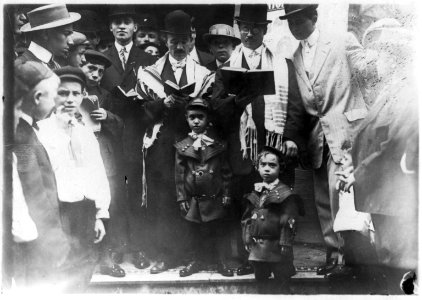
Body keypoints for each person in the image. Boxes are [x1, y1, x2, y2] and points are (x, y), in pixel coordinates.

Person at [280, 4, 375, 276]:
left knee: (343, 195)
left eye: (300, 20)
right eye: (290, 22)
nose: (295, 26)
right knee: (323, 199)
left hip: (346, 130)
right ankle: (333, 255)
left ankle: (349, 258)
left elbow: (366, 73)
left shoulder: (341, 41)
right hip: (316, 137)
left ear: (314, 17)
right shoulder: (294, 56)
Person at [211, 3, 302, 276]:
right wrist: (238, 102)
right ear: (239, 30)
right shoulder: (228, 68)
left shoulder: (283, 65)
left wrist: (290, 137)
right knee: (244, 203)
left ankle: (283, 260)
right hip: (243, 148)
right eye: (245, 28)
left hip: (274, 144)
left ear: (265, 30)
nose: (249, 34)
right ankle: (244, 259)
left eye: (255, 28)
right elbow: (216, 110)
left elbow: (296, 106)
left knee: (279, 202)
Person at [336, 26, 417, 294]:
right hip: (383, 198)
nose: (372, 62)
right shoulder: (390, 90)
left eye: (377, 55)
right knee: (389, 259)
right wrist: (350, 161)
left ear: (393, 56)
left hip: (399, 197)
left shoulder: (409, 94)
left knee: (401, 265)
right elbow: (368, 136)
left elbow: (393, 145)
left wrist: (357, 174)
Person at [137, 9, 214, 274]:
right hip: (162, 140)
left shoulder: (203, 73)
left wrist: (192, 106)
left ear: (192, 40)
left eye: (184, 40)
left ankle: (194, 255)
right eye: (173, 41)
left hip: (192, 141)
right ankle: (167, 254)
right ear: (164, 40)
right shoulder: (150, 72)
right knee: (162, 197)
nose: (179, 46)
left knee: (194, 194)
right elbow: (141, 111)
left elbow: (211, 108)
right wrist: (163, 103)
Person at [36, 66, 110, 292]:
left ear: (83, 96)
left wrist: (99, 214)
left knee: (82, 270)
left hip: (83, 211)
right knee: (56, 273)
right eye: (63, 93)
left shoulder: (85, 131)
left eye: (75, 94)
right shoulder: (40, 131)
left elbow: (97, 173)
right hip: (55, 212)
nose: (70, 99)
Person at [100, 6, 156, 270]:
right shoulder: (101, 58)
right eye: (117, 23)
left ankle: (138, 247)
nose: (122, 27)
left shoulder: (147, 58)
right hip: (109, 136)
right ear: (111, 28)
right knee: (113, 192)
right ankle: (114, 247)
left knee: (137, 191)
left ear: (136, 27)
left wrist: (142, 108)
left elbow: (157, 98)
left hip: (137, 132)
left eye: (127, 22)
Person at [12, 61, 70, 290]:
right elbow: (33, 191)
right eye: (55, 95)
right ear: (37, 98)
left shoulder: (25, 132)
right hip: (36, 245)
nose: (58, 102)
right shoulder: (20, 139)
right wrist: (54, 241)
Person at [80, 49, 127, 277]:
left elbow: (122, 126)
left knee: (106, 205)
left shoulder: (106, 95)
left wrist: (107, 116)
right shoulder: (70, 92)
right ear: (81, 65)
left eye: (100, 70)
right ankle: (84, 258)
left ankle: (106, 257)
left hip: (102, 156)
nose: (96, 74)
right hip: (77, 156)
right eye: (91, 68)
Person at [174, 98, 233, 277]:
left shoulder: (218, 145)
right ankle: (195, 261)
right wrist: (181, 197)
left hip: (214, 197)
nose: (196, 121)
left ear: (208, 119)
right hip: (194, 199)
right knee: (194, 232)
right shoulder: (183, 146)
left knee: (216, 230)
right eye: (192, 117)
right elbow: (178, 175)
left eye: (201, 117)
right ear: (187, 119)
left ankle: (219, 262)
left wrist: (227, 193)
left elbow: (226, 172)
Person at [242, 146, 304, 294]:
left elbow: (289, 220)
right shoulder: (256, 192)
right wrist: (247, 237)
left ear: (280, 168)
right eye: (263, 165)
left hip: (277, 247)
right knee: (261, 282)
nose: (267, 169)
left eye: (272, 165)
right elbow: (247, 218)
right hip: (258, 247)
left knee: (282, 282)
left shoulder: (285, 194)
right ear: (257, 167)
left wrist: (285, 242)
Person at [330, 140, 377, 279]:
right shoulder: (344, 175)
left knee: (361, 248)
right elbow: (338, 187)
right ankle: (351, 270)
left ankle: (369, 275)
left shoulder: (361, 176)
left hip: (357, 218)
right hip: (346, 218)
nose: (342, 161)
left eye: (346, 159)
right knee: (349, 246)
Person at [16, 4, 80, 70]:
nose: (71, 42)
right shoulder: (20, 67)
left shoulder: (55, 65)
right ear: (45, 33)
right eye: (66, 34)